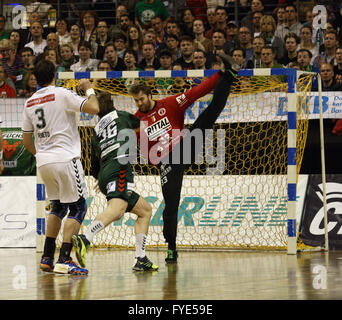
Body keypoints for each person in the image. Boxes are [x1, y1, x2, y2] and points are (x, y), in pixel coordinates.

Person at [128, 53, 240, 263]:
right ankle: (171, 247)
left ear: (150, 95)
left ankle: (230, 73)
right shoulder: (135, 121)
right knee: (171, 205)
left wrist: (219, 76)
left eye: (141, 99)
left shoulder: (170, 103)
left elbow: (198, 91)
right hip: (167, 164)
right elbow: (132, 145)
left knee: (208, 115)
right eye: (135, 101)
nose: (139, 104)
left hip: (184, 148)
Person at [22, 59, 99, 275]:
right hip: (66, 159)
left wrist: (44, 155)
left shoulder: (29, 103)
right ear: (54, 74)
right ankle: (64, 260)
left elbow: (27, 141)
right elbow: (94, 107)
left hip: (44, 162)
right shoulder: (61, 93)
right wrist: (88, 89)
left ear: (35, 78)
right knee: (79, 207)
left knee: (57, 207)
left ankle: (47, 258)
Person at [72, 92, 158, 272]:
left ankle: (140, 258)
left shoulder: (96, 130)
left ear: (97, 111)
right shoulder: (121, 116)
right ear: (113, 104)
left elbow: (93, 163)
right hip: (119, 168)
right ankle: (85, 238)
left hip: (104, 174)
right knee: (117, 210)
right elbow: (143, 123)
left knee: (145, 211)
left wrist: (100, 178)